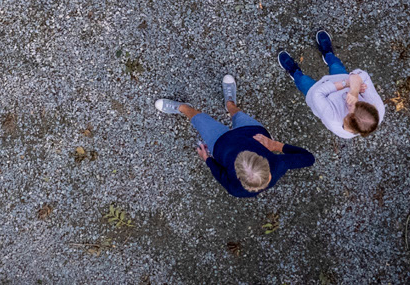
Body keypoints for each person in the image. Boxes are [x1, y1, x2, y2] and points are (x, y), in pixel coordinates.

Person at [155, 74, 314, 198]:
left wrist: (208, 159)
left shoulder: (236, 189)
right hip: (252, 131)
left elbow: (220, 174)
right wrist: (276, 146)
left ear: (238, 175)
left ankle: (184, 108)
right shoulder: (280, 164)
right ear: (266, 163)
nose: (243, 150)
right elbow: (309, 158)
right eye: (254, 154)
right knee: (238, 114)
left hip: (220, 144)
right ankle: (230, 104)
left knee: (199, 120)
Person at [276, 30, 384, 139]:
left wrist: (349, 84)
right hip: (339, 77)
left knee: (302, 81)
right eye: (356, 103)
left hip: (314, 90)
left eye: (349, 110)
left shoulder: (334, 121)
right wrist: (355, 91)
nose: (350, 102)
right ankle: (328, 54)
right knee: (336, 64)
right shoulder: (377, 108)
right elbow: (362, 74)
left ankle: (294, 71)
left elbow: (318, 94)